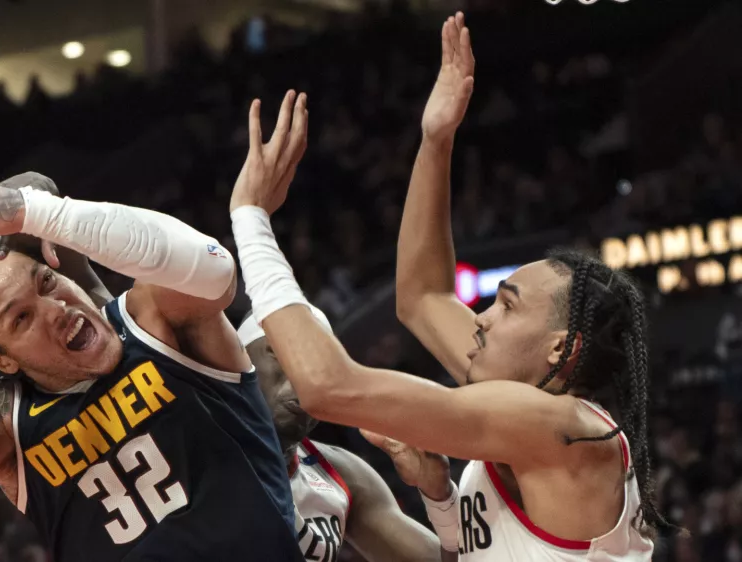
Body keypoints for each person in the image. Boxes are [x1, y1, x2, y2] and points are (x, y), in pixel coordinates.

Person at [227, 14, 657, 562]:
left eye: (506, 305)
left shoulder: (558, 424)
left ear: (560, 349)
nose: (478, 316)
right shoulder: (527, 398)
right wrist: (436, 140)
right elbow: (424, 298)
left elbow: (326, 386)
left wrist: (250, 218)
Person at [0, 123, 308, 559]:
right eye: (21, 318)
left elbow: (215, 269)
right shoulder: (0, 415)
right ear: (0, 357)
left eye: (47, 283)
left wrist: (31, 211)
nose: (55, 309)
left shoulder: (155, 320)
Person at [239, 308, 458, 562]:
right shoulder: (190, 442)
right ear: (240, 359)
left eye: (320, 370)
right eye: (282, 355)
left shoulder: (344, 474)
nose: (304, 379)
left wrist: (440, 499)